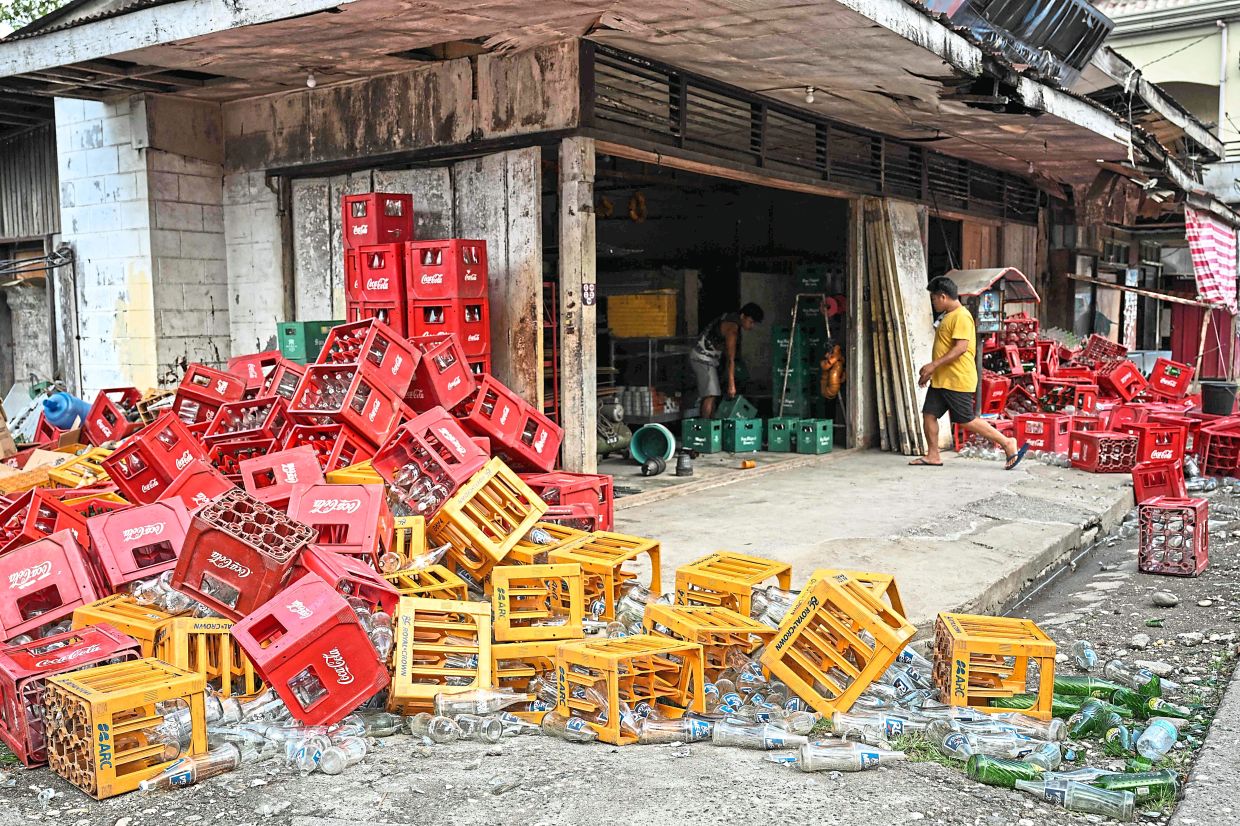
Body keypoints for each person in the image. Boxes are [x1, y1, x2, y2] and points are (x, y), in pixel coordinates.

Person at [910, 276, 1027, 470]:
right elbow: (945, 348)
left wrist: (933, 365)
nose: (933, 303)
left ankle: (1007, 443)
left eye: (934, 299)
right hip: (942, 380)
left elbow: (960, 348)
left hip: (957, 379)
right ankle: (933, 455)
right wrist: (932, 371)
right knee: (929, 415)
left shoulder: (961, 316)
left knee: (966, 420)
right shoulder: (949, 315)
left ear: (943, 296)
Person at [690, 302, 764, 418]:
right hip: (702, 358)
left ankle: (711, 425)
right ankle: (706, 429)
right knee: (711, 394)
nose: (751, 326)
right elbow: (731, 359)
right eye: (751, 322)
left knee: (712, 394)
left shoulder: (729, 317)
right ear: (743, 316)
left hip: (705, 357)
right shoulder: (732, 329)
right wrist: (731, 384)